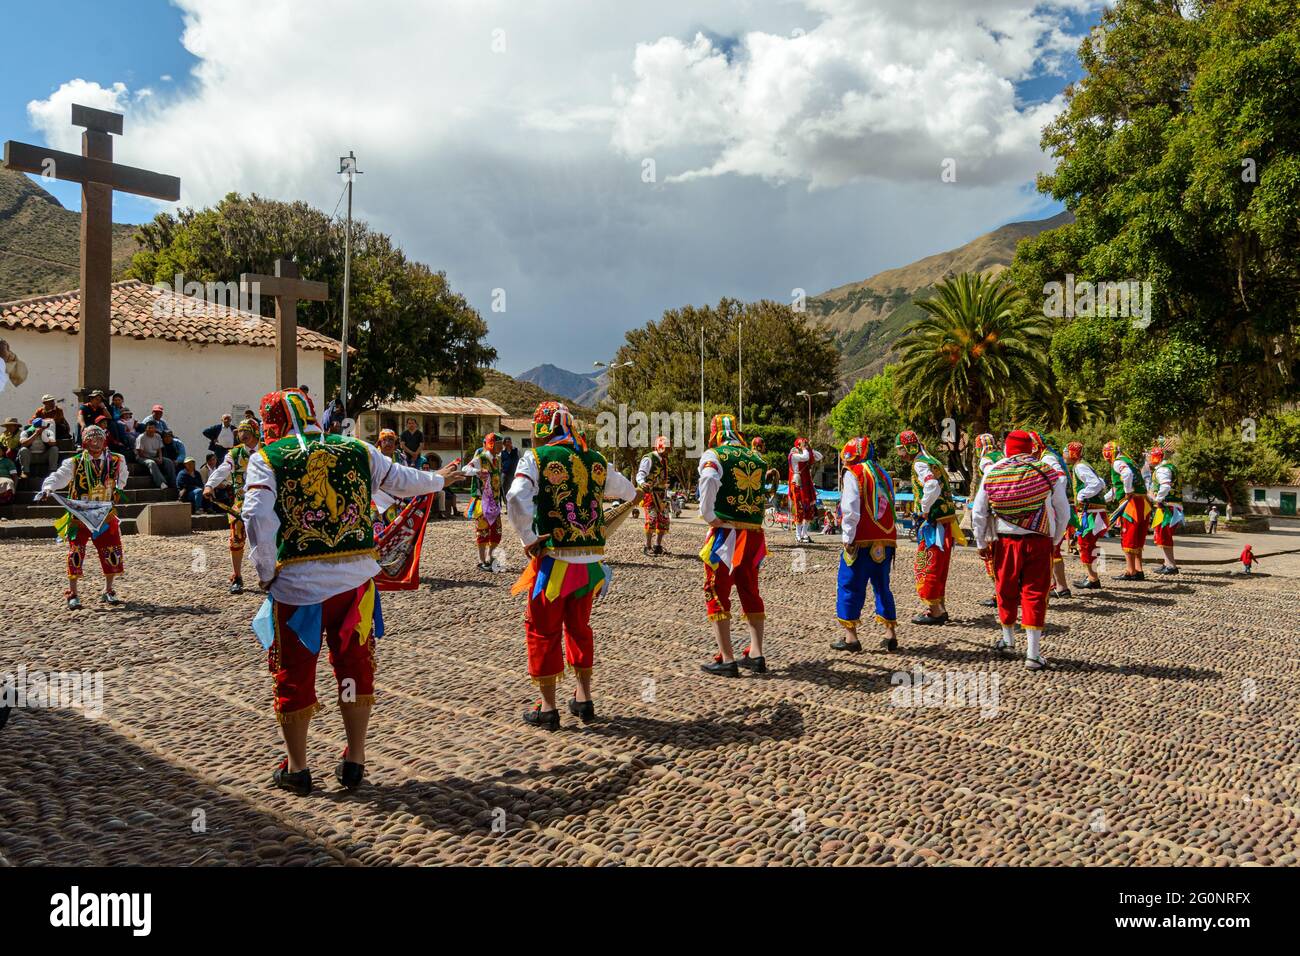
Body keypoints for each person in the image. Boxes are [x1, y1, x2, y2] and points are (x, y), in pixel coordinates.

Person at [243, 389, 456, 795]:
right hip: (356, 584)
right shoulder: (358, 448)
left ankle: (299, 768)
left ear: (273, 425)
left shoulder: (267, 458)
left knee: (295, 671)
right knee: (354, 666)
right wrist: (439, 479)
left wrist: (265, 572)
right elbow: (402, 480)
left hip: (300, 588)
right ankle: (355, 758)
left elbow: (256, 515)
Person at [506, 401, 636, 727]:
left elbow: (515, 496)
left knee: (542, 629)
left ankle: (548, 708)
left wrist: (528, 537)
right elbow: (629, 491)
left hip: (553, 561)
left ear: (541, 429)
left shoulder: (535, 458)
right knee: (579, 629)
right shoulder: (596, 461)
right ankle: (583, 699)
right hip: (589, 566)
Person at [972, 430, 1070, 672]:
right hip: (1039, 541)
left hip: (1004, 541)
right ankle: (1033, 654)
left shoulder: (993, 470)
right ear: (1030, 447)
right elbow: (1063, 510)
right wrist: (1054, 539)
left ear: (1006, 448)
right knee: (1035, 593)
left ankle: (1007, 640)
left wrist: (981, 542)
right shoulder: (1046, 471)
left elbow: (979, 511)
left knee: (1005, 589)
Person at [697, 413, 770, 676]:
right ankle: (757, 653)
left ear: (715, 432)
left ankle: (727, 658)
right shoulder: (756, 457)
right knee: (750, 588)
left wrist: (710, 517)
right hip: (753, 535)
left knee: (716, 590)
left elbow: (707, 479)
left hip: (726, 534)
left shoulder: (714, 455)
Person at [38, 425, 129, 609]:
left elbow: (122, 479)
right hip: (79, 515)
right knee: (76, 552)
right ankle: (73, 592)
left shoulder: (117, 460)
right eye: (92, 439)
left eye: (99, 438)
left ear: (105, 440)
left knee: (111, 550)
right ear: (85, 442)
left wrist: (115, 490)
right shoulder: (75, 462)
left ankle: (108, 590)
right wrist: (48, 488)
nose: (96, 442)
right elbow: (59, 477)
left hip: (104, 514)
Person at [832, 436, 898, 653]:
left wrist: (847, 538)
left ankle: (851, 638)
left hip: (861, 540)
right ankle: (890, 634)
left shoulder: (855, 474)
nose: (844, 464)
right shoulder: (883, 474)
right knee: (882, 586)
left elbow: (850, 508)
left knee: (850, 584)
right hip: (886, 539)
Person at [895, 429, 964, 624]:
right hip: (945, 521)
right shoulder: (932, 460)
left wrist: (924, 508)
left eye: (901, 450)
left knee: (927, 564)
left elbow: (932, 485)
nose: (901, 455)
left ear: (908, 447)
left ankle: (935, 611)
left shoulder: (920, 463)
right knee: (939, 565)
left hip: (934, 523)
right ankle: (939, 606)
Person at [204, 421, 260, 593]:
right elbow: (223, 469)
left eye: (246, 431)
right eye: (240, 431)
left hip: (267, 502)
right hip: (242, 503)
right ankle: (237, 576)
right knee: (236, 539)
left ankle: (271, 576)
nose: (242, 434)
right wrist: (210, 485)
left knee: (270, 540)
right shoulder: (234, 454)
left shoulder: (268, 450)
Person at [1032, 432, 1073, 599]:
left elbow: (1060, 478)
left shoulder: (1047, 458)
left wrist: (1052, 496)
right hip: (1054, 506)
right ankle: (1057, 585)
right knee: (1051, 549)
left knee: (1052, 548)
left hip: (1053, 508)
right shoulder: (1046, 456)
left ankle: (1061, 586)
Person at [1064, 441, 1110, 590]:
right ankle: (1092, 576)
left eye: (1066, 451)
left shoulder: (1080, 466)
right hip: (1092, 512)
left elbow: (1096, 483)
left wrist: (1082, 496)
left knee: (1085, 544)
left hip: (1090, 513)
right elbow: (1101, 482)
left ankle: (1093, 578)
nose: (1064, 454)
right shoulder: (1083, 465)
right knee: (1087, 544)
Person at [1102, 441, 1149, 580]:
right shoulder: (1129, 461)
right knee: (1138, 537)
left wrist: (1128, 492)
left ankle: (1130, 571)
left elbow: (1126, 475)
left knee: (1128, 537)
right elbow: (1116, 489)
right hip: (1143, 503)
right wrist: (1101, 500)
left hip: (1131, 505)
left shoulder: (1118, 462)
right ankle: (1138, 569)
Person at [462, 432, 504, 571]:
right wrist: (477, 471)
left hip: (495, 502)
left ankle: (490, 558)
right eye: (498, 444)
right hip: (482, 501)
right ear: (491, 444)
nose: (501, 447)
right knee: (482, 531)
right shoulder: (481, 458)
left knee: (496, 531)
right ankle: (481, 561)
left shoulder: (497, 460)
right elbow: (465, 469)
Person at [972, 432, 1002, 608]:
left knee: (991, 556)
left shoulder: (986, 460)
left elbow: (991, 475)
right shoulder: (1003, 455)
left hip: (993, 515)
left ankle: (999, 593)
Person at [1148, 446, 1183, 574]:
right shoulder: (1169, 467)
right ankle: (1167, 563)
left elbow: (1166, 485)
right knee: (1162, 534)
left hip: (1167, 507)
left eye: (1150, 456)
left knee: (1164, 534)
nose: (1148, 458)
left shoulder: (1162, 469)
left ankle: (1171, 566)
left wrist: (1158, 498)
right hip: (1170, 506)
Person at [636, 435, 672, 556]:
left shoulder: (665, 460)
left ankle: (658, 545)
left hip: (662, 495)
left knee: (664, 520)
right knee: (651, 520)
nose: (667, 451)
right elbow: (640, 474)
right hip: (650, 494)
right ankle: (647, 546)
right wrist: (642, 483)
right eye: (666, 449)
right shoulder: (649, 458)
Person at [787, 437, 823, 544]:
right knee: (799, 509)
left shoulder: (805, 452)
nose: (805, 446)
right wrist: (805, 448)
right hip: (798, 484)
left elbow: (819, 456)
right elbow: (805, 457)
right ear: (798, 446)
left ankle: (804, 533)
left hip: (807, 484)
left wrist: (810, 448)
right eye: (803, 444)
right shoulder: (793, 455)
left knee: (809, 509)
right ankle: (798, 534)